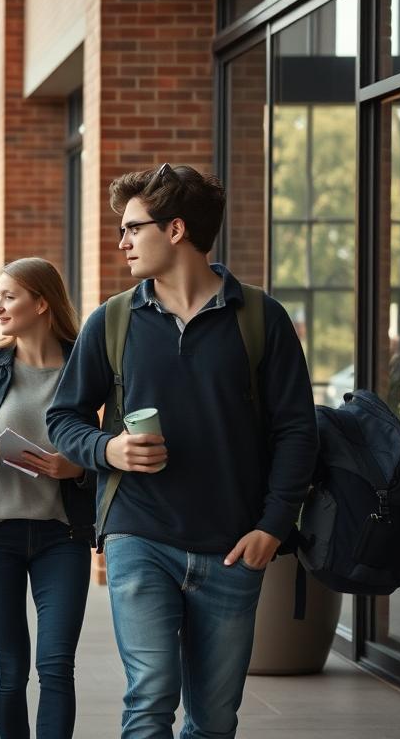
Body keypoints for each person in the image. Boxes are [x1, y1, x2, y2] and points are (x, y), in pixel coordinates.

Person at [47, 164, 318, 739]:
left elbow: (297, 431)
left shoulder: (260, 319)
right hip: (138, 535)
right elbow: (62, 418)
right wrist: (108, 448)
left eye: (131, 228)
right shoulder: (113, 321)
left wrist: (273, 525)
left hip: (234, 546)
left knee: (214, 720)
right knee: (149, 698)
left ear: (175, 230)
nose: (121, 242)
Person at [0, 258, 93, 739]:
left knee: (57, 666)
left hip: (62, 536)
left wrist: (77, 466)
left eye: (9, 296)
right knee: (10, 670)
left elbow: (106, 444)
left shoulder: (85, 367)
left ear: (41, 303)